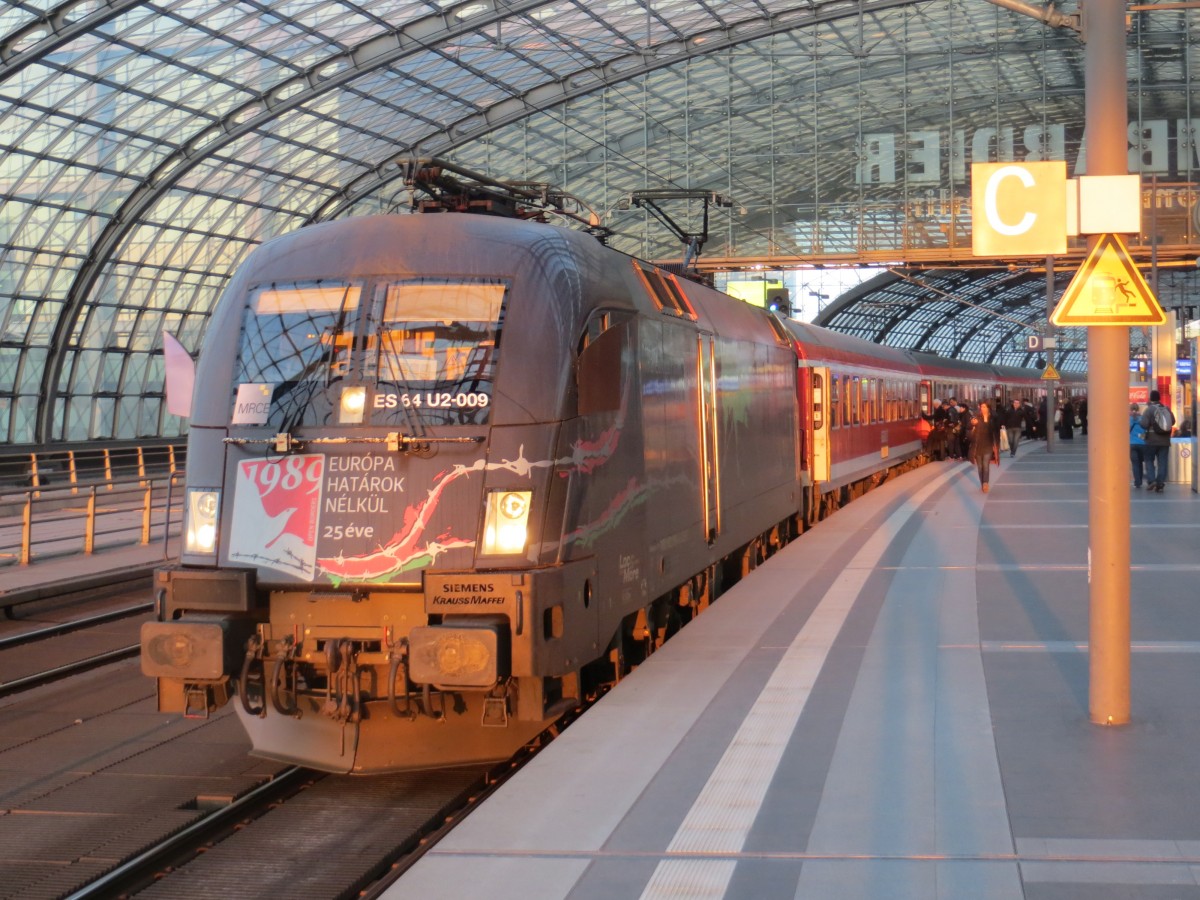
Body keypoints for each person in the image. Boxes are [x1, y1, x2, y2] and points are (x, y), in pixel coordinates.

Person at [1139, 389, 1175, 493]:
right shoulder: (1166, 408)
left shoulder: (1149, 410)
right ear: (1159, 398)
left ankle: (1151, 481)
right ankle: (1160, 483)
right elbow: (1172, 421)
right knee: (1162, 462)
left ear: (1150, 398)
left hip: (1151, 440)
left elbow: (1144, 424)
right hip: (1165, 441)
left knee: (1149, 460)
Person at [968, 400, 1002, 493]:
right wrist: (972, 424)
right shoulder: (977, 417)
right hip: (977, 445)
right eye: (981, 407)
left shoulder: (993, 418)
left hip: (988, 445)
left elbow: (996, 429)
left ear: (988, 408)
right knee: (980, 467)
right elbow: (969, 425)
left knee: (985, 465)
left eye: (984, 407)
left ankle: (985, 483)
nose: (982, 409)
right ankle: (982, 482)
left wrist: (997, 444)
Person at [1129, 402, 1147, 489]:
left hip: (1132, 444)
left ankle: (1137, 482)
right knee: (1140, 462)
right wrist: (1141, 438)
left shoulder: (1130, 419)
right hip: (1142, 444)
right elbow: (1145, 430)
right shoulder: (1142, 418)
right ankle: (1140, 479)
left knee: (1135, 463)